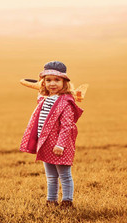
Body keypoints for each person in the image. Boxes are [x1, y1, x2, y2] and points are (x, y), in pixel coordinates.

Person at [19, 61, 84, 209]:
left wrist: (60, 144)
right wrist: (43, 89)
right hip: (46, 143)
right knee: (51, 176)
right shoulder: (44, 98)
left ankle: (67, 201)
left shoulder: (66, 102)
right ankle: (51, 201)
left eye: (57, 80)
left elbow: (67, 126)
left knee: (65, 175)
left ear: (64, 82)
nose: (52, 83)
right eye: (48, 80)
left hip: (60, 145)